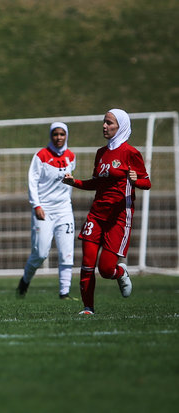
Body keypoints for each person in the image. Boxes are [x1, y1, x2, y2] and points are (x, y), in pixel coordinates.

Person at [63, 108, 151, 315]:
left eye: (110, 123)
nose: (104, 126)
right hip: (97, 214)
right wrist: (73, 182)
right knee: (86, 263)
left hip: (119, 217)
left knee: (105, 269)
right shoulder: (101, 153)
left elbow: (147, 183)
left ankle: (119, 271)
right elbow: (96, 183)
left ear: (121, 127)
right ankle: (87, 308)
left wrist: (136, 180)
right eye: (104, 122)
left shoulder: (131, 153)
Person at [17, 122, 76, 299]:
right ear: (51, 135)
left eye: (62, 134)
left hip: (64, 209)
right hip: (44, 210)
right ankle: (25, 281)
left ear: (66, 135)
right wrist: (37, 205)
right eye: (55, 134)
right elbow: (32, 182)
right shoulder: (41, 156)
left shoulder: (71, 156)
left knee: (67, 253)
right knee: (41, 253)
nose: (59, 138)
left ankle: (64, 293)